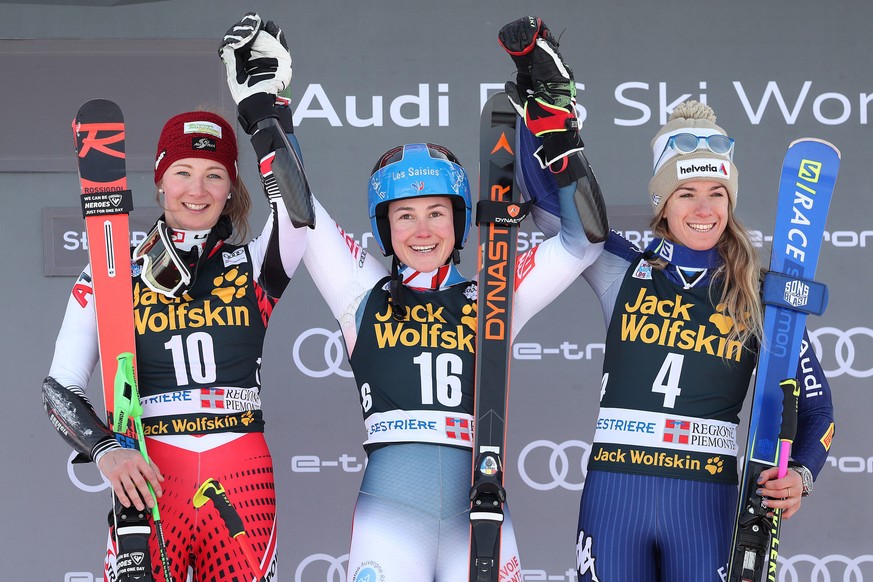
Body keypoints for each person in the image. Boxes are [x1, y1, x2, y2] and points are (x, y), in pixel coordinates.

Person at [214, 12, 607, 581]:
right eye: (405, 215)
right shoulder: (362, 289)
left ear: (460, 220)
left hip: (483, 517)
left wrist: (557, 129)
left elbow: (583, 242)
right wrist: (265, 112)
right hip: (390, 521)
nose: (422, 230)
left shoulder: (495, 291)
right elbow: (301, 214)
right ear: (384, 225)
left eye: (436, 214)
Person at [499, 16, 836, 582]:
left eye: (716, 194)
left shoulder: (758, 295)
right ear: (663, 201)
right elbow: (554, 208)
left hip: (705, 507)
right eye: (686, 193)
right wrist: (543, 103)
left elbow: (819, 410)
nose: (704, 210)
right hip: (615, 500)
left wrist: (799, 475)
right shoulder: (622, 268)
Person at [41, 14, 313, 581]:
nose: (197, 189)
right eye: (183, 172)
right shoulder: (111, 271)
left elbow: (297, 212)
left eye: (215, 176)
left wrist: (265, 111)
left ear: (233, 187)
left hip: (241, 474)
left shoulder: (255, 264)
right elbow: (59, 388)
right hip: (149, 472)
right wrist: (105, 450)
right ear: (160, 181)